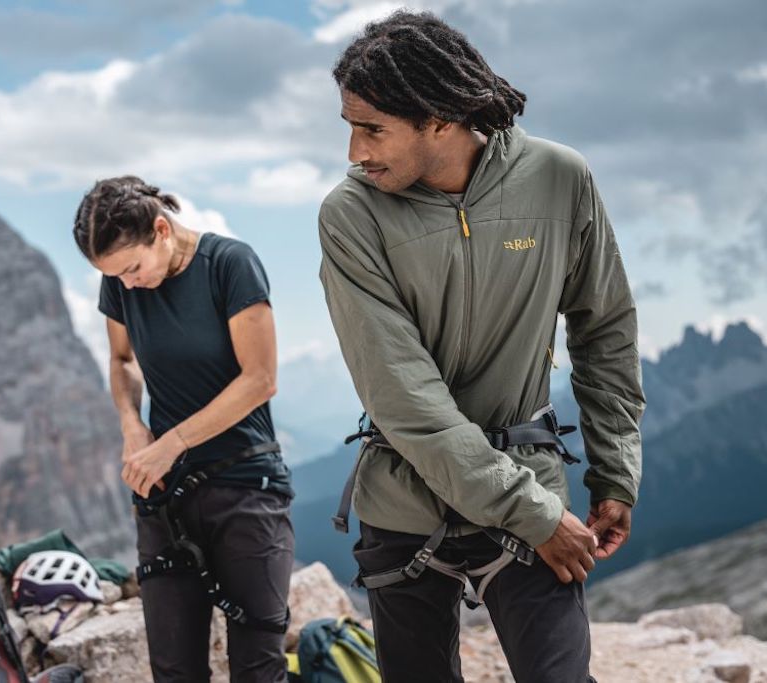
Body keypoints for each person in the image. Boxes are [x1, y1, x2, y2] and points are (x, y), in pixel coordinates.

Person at [318, 11, 644, 683]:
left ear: (439, 117)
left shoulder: (560, 178)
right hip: (410, 509)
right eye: (350, 126)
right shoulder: (351, 214)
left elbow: (603, 328)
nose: (355, 151)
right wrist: (530, 509)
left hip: (531, 487)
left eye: (372, 127)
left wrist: (615, 471)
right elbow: (402, 394)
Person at [73, 176, 294, 683]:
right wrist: (132, 426)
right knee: (174, 670)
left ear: (161, 229)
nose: (127, 284)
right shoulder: (121, 282)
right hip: (165, 497)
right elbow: (122, 360)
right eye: (115, 276)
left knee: (259, 667)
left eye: (132, 268)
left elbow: (260, 380)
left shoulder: (230, 265)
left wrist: (169, 443)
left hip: (247, 489)